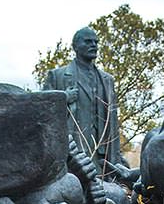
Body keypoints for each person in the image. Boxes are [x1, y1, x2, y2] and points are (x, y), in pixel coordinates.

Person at [43, 27, 134, 183]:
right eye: (88, 41)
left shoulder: (107, 80)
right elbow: (42, 109)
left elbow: (113, 124)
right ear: (75, 46)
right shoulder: (58, 76)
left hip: (101, 157)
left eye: (96, 42)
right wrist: (63, 97)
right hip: (72, 154)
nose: (94, 45)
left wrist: (116, 157)